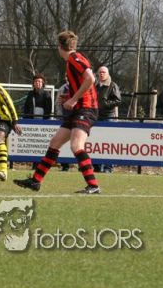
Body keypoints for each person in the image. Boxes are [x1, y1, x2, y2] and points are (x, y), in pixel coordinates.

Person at [15, 30, 101, 194]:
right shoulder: (72, 60)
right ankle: (35, 181)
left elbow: (91, 78)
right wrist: (69, 97)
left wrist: (73, 99)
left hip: (86, 108)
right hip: (78, 109)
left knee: (76, 146)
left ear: (60, 46)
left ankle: (93, 185)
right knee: (55, 142)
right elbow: (84, 82)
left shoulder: (74, 58)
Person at [95, 66, 121, 173]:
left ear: (108, 74)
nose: (101, 74)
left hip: (108, 117)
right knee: (97, 143)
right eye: (100, 72)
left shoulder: (113, 85)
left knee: (108, 143)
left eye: (104, 72)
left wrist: (106, 104)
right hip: (97, 117)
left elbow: (118, 100)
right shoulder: (95, 85)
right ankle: (97, 166)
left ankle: (108, 167)